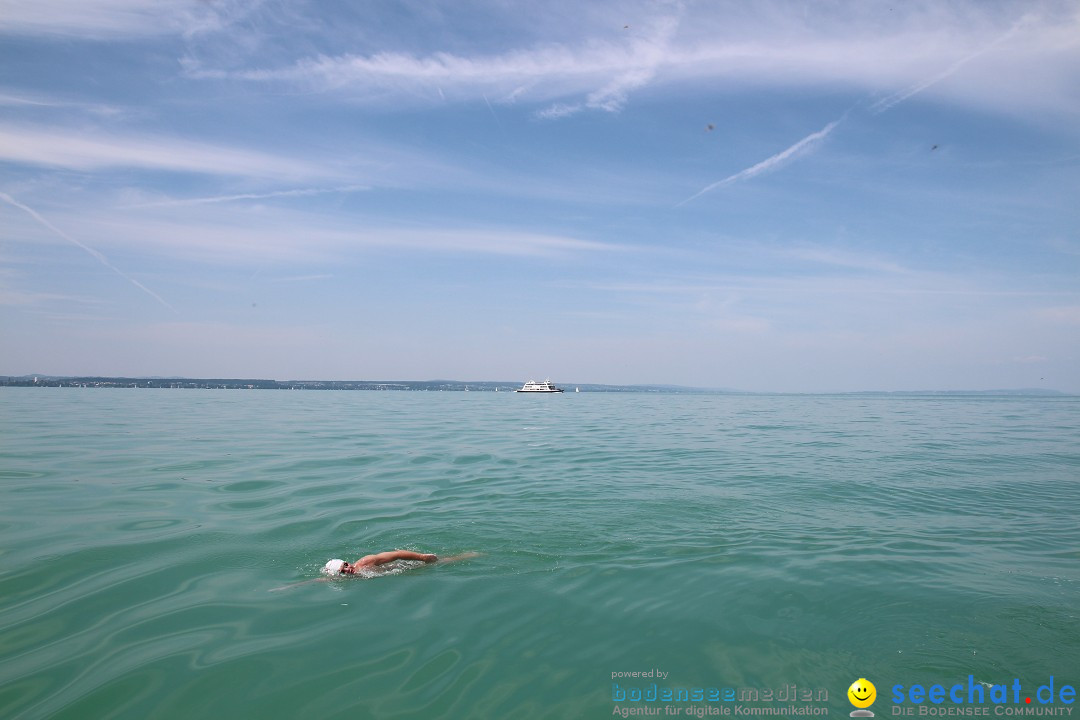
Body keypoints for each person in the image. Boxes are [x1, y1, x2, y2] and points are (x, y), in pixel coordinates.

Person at [324, 550, 438, 576]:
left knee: (442, 561)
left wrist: (422, 557)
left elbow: (396, 554)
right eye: (342, 572)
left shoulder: (365, 562)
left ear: (347, 562)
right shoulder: (348, 577)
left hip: (406, 566)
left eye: (345, 565)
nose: (348, 570)